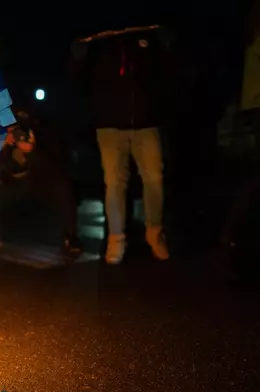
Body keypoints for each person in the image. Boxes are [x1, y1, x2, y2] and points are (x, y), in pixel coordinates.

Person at [70, 27, 173, 264]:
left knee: (154, 178)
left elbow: (163, 74)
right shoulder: (99, 41)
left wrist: (166, 48)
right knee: (115, 183)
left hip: (147, 123)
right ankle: (117, 239)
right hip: (109, 126)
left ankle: (155, 233)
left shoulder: (146, 34)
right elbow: (76, 76)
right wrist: (78, 55)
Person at [0, 110, 83, 259]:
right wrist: (2, 147)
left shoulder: (42, 139)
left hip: (36, 186)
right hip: (8, 187)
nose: (17, 134)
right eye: (11, 129)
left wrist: (32, 152)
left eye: (18, 129)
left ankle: (70, 235)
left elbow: (53, 170)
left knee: (61, 187)